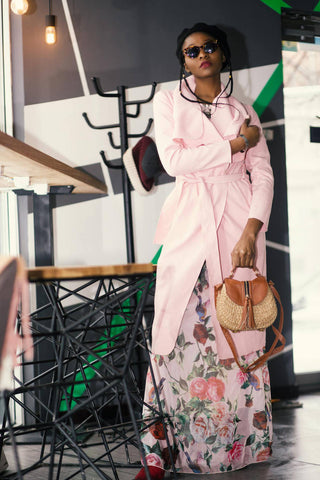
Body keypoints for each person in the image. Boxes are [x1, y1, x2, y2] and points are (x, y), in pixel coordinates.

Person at [134, 23, 274, 479]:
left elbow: (264, 175)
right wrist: (234, 144)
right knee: (174, 332)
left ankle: (237, 447)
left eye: (209, 47)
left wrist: (252, 230)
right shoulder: (169, 101)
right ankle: (160, 451)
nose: (201, 55)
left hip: (238, 220)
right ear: (184, 62)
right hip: (190, 215)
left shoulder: (243, 107)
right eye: (191, 51)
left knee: (237, 328)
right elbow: (174, 162)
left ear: (222, 54)